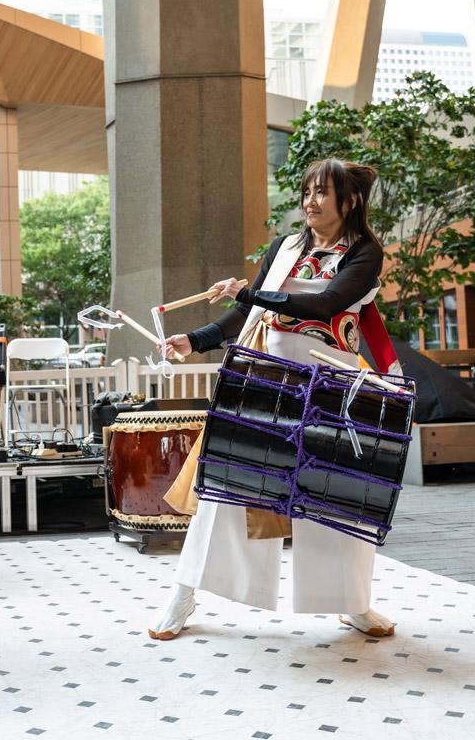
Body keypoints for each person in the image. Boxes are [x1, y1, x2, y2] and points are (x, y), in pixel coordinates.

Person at [149, 157, 402, 642]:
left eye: (321, 193)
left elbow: (326, 303)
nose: (309, 202)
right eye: (306, 192)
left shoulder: (365, 252)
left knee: (338, 493)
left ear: (348, 201)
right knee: (227, 489)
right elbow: (246, 312)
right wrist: (194, 339)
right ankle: (184, 592)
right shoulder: (285, 247)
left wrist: (254, 293)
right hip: (265, 379)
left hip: (331, 384)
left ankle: (353, 602)